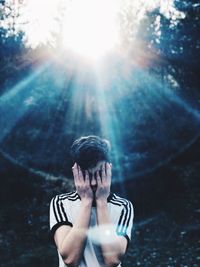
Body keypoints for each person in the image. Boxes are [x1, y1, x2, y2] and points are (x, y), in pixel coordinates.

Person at [49, 135, 134, 267]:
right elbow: (70, 258)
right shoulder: (61, 203)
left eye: (99, 174)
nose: (94, 182)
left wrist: (101, 202)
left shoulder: (123, 207)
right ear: (76, 172)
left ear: (108, 170)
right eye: (87, 175)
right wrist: (87, 201)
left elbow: (112, 259)